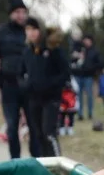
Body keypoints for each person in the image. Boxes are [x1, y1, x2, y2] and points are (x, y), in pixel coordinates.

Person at [0, 0, 36, 159]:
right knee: (12, 126)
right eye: (17, 12)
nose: (21, 15)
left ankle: (37, 160)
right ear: (11, 14)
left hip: (30, 86)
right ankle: (16, 162)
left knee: (34, 126)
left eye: (23, 12)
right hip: (9, 85)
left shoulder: (31, 31)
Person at [20, 18, 69, 158]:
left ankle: (57, 165)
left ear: (40, 30)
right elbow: (21, 72)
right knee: (38, 135)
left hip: (51, 98)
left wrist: (49, 84)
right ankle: (44, 167)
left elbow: (65, 73)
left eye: (34, 29)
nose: (31, 33)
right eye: (28, 29)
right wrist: (26, 85)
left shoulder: (53, 50)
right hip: (34, 99)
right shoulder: (27, 52)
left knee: (49, 133)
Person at [73, 33, 102, 121]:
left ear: (91, 41)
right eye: (84, 39)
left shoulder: (94, 51)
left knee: (89, 95)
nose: (85, 41)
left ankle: (90, 113)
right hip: (78, 75)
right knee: (79, 96)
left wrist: (92, 69)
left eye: (87, 39)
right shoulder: (80, 49)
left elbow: (99, 63)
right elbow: (72, 55)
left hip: (88, 76)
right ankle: (80, 114)